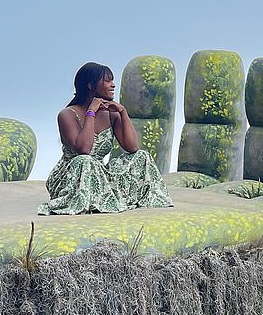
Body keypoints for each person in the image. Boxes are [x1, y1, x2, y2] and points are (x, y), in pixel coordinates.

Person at [38, 62, 173, 215]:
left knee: (142, 156)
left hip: (100, 173)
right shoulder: (67, 115)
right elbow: (84, 149)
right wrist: (91, 113)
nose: (113, 85)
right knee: (85, 161)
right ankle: (89, 200)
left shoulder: (111, 114)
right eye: (108, 80)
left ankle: (111, 198)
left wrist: (123, 112)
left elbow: (132, 147)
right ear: (90, 85)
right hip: (73, 176)